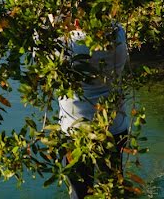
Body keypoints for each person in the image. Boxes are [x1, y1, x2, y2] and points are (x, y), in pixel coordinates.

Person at [59, 22, 130, 199]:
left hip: (75, 130)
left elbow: (39, 49)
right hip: (114, 125)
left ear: (75, 21)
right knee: (113, 186)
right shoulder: (118, 34)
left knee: (79, 192)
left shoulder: (68, 44)